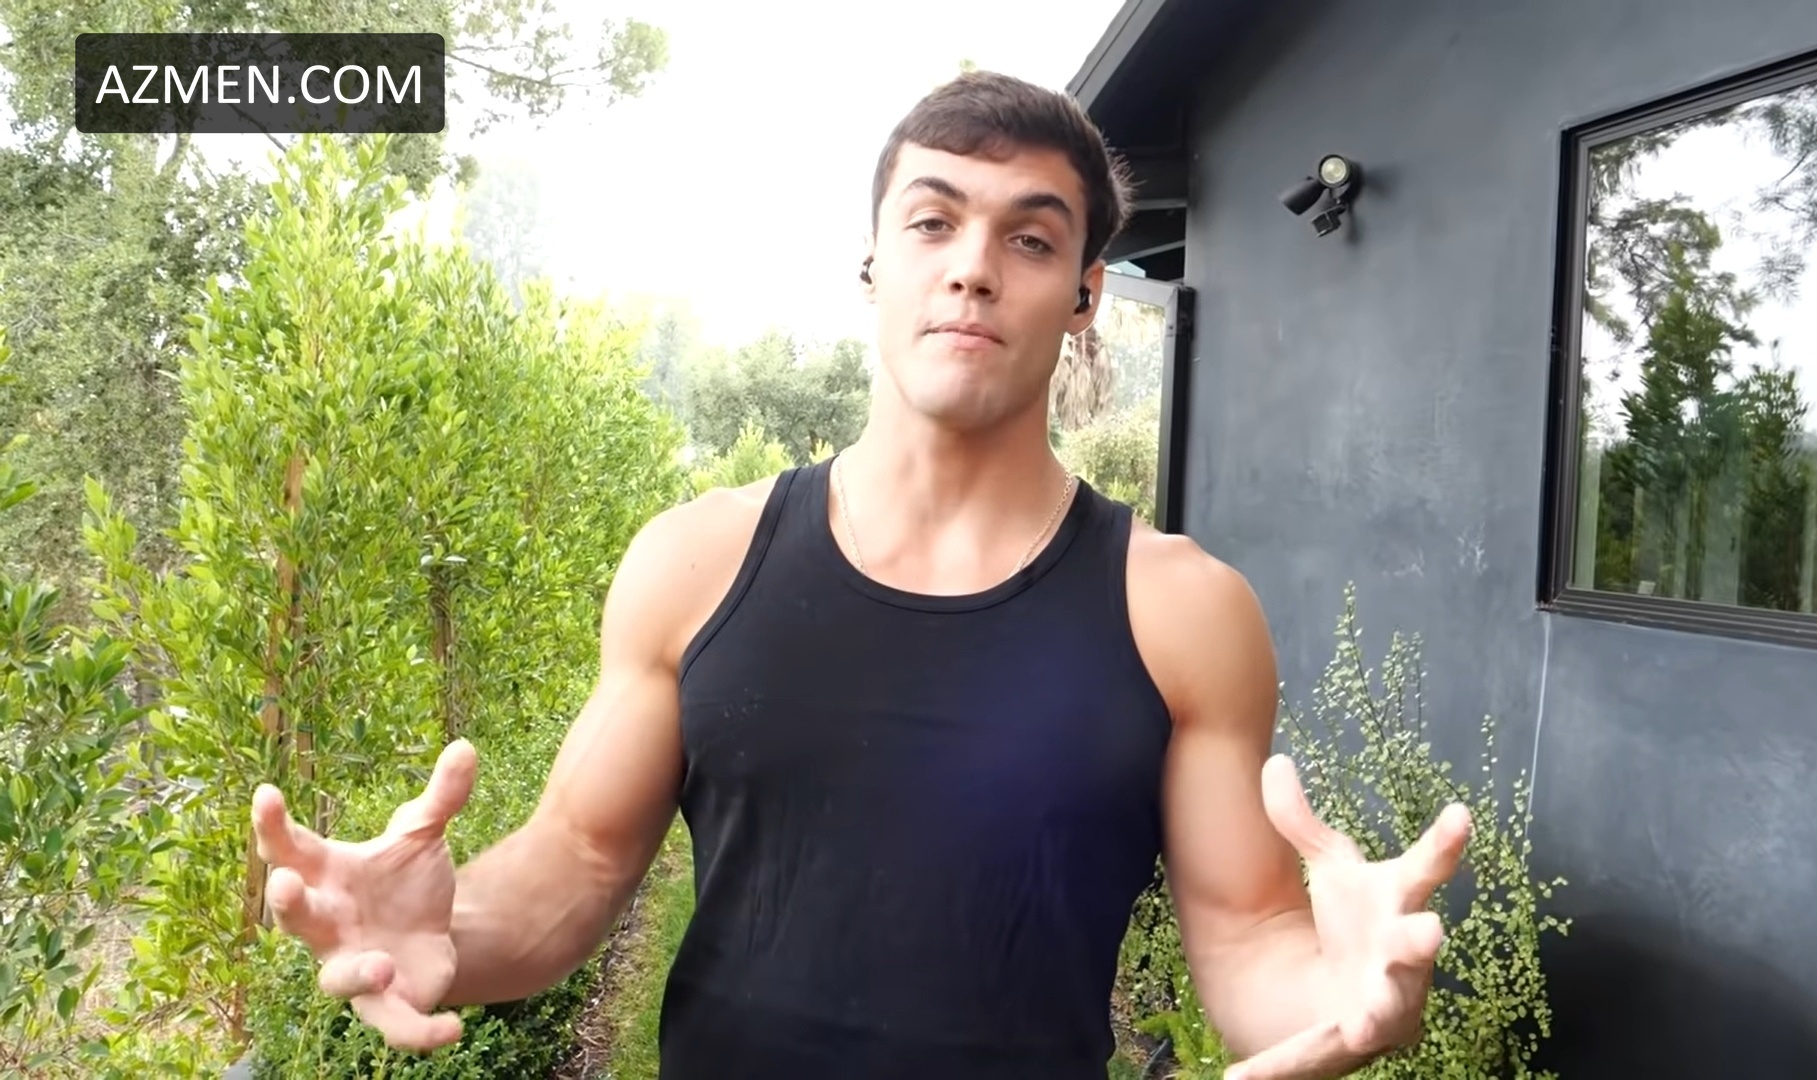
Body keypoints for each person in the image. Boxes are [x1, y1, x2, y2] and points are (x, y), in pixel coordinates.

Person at [248, 70, 1471, 1080]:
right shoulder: (698, 560)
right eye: (932, 223)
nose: (973, 266)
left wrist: (1344, 992)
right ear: (873, 266)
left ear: (1085, 294)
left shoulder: (1182, 609)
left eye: (1030, 237)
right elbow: (573, 865)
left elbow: (1250, 939)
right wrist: (445, 929)